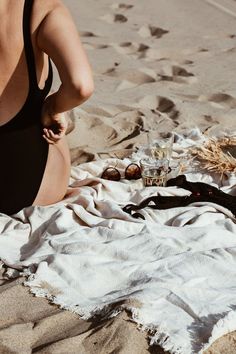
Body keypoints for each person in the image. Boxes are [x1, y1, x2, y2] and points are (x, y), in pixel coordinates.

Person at [0, 0, 94, 215]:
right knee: (53, 121)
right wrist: (54, 107)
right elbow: (80, 86)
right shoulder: (41, 8)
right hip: (21, 190)